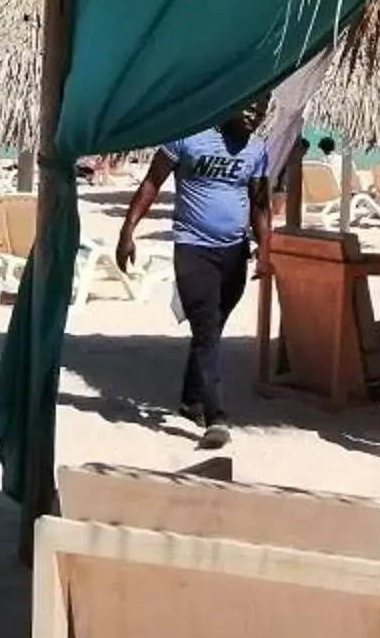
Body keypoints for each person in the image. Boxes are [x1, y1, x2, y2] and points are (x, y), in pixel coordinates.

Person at [115, 101, 272, 447]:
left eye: (261, 110)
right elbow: (152, 182)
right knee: (205, 327)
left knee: (212, 328)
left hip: (235, 252)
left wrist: (266, 248)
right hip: (192, 247)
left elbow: (259, 202)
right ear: (231, 99)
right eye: (248, 105)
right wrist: (128, 230)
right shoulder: (187, 136)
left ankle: (190, 398)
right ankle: (216, 417)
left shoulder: (258, 149)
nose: (254, 114)